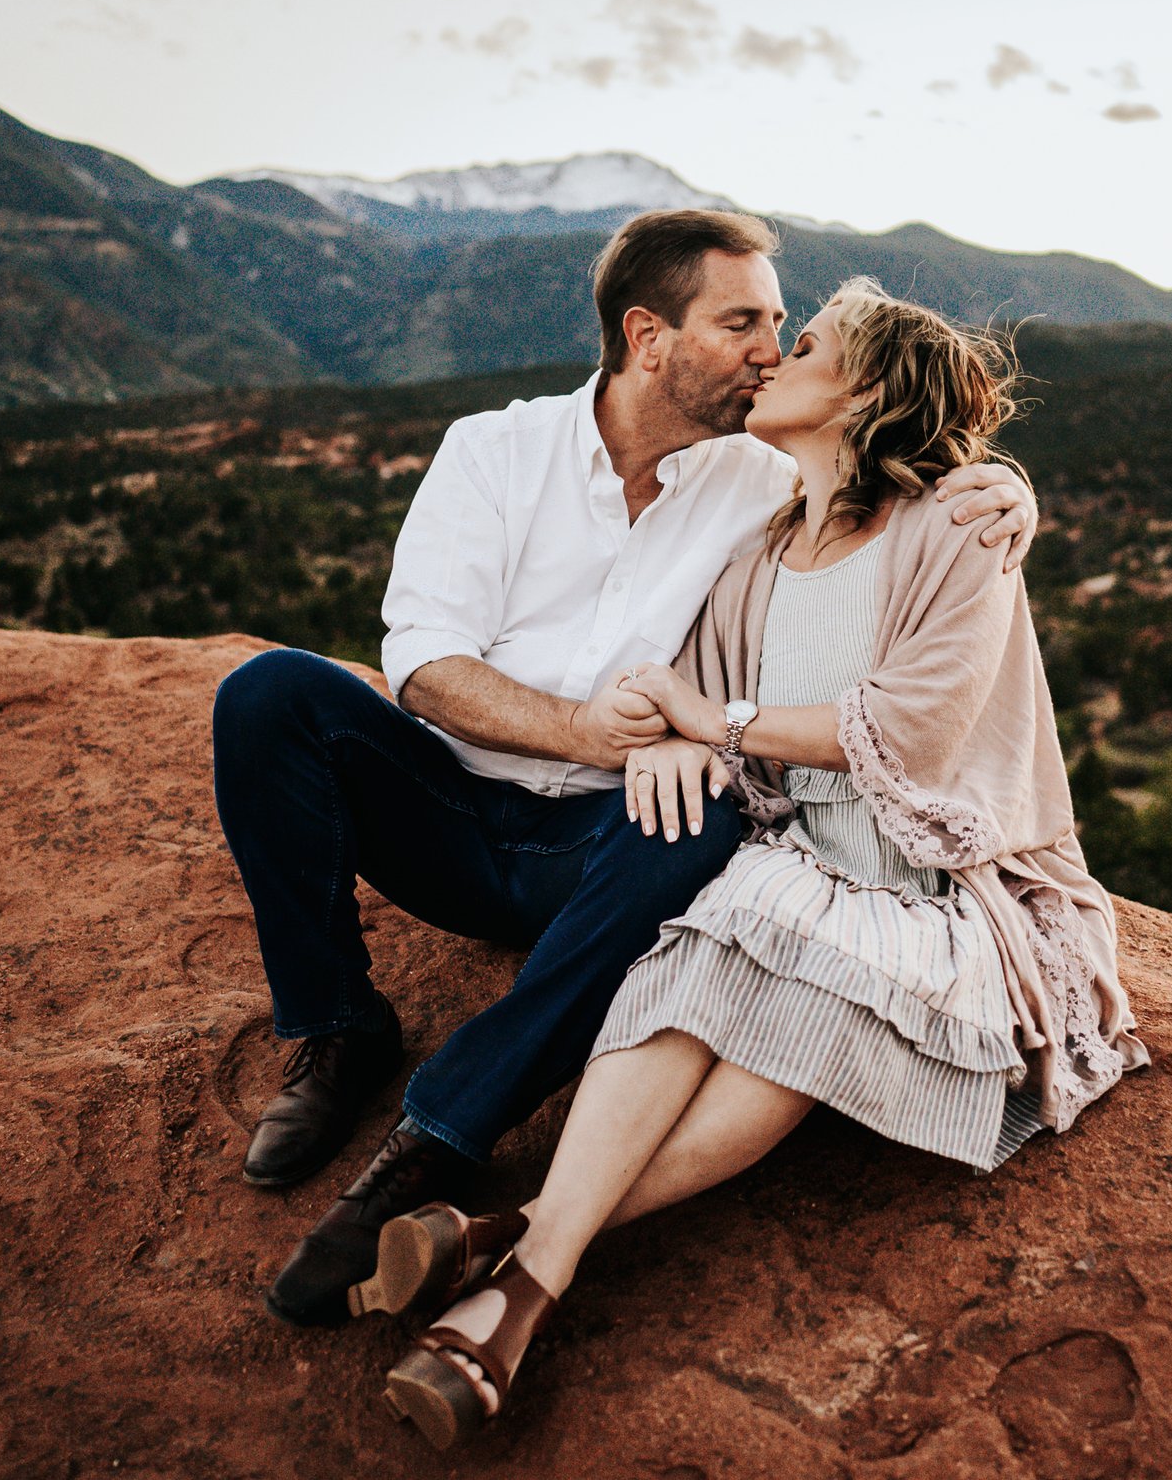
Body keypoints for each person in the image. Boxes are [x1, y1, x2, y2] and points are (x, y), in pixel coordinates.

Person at [209, 213, 1040, 1326]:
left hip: (600, 851)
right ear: (648, 336)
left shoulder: (761, 476)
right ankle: (336, 1027)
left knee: (706, 828)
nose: (768, 348)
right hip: (449, 813)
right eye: (743, 322)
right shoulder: (493, 451)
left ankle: (436, 1138)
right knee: (268, 695)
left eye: (782, 327)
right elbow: (418, 657)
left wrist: (1010, 492)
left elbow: (890, 469)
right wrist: (586, 732)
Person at [363, 277, 1150, 1448]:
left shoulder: (957, 527)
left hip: (939, 880)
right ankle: (510, 1270)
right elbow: (686, 694)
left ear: (869, 391)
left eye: (810, 341)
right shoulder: (760, 551)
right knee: (688, 973)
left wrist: (711, 719)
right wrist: (678, 732)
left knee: (803, 986)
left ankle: (519, 1264)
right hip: (802, 848)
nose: (775, 353)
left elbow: (909, 732)